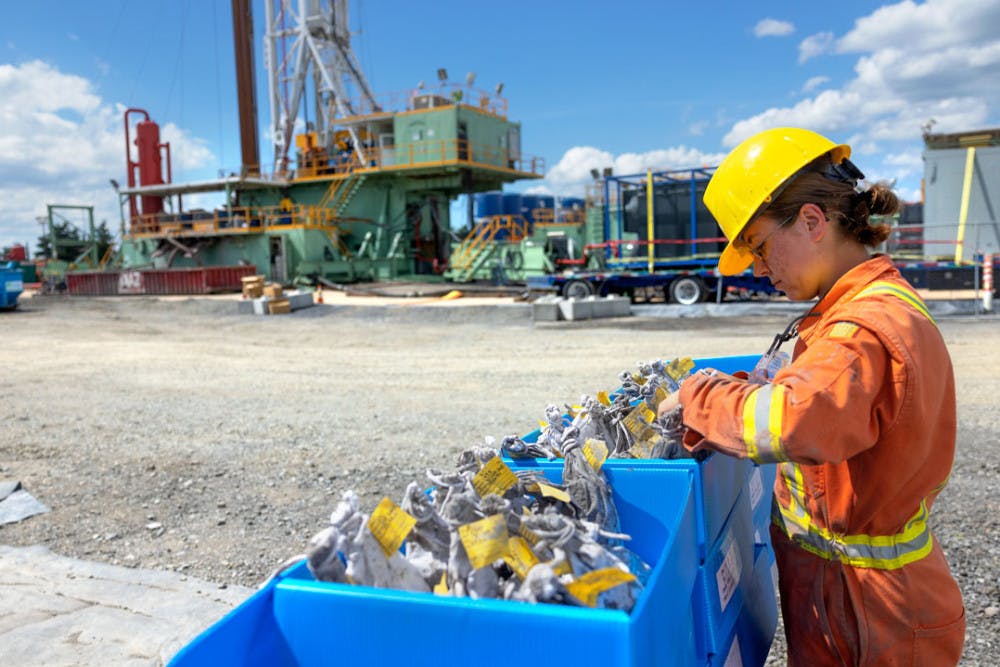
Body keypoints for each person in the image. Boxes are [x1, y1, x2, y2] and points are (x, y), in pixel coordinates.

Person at [657, 127, 965, 665]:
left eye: (757, 245)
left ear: (812, 222)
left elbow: (793, 419)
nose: (756, 268)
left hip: (873, 620)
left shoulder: (861, 329)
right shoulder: (856, 309)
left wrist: (697, 398)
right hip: (848, 602)